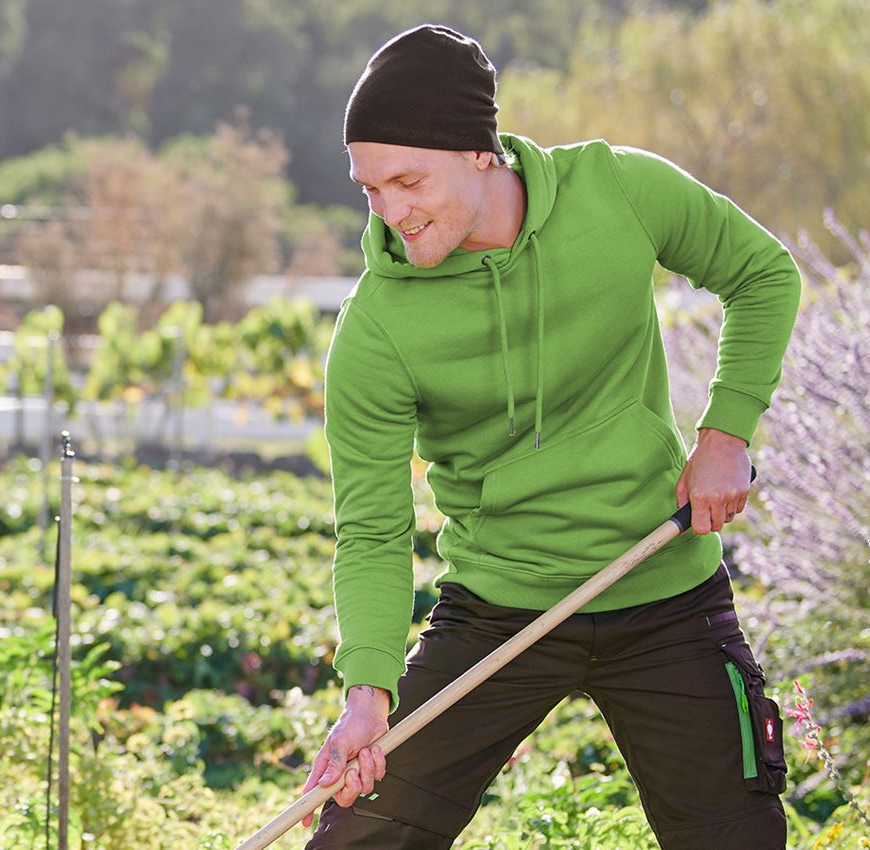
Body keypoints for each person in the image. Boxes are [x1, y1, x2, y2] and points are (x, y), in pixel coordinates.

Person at [301, 23, 801, 850]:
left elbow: (761, 273)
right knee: (363, 835)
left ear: (480, 152)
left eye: (408, 180)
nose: (392, 212)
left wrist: (726, 431)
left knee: (737, 838)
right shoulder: (376, 329)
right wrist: (367, 693)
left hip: (663, 591)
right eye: (370, 190)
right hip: (499, 604)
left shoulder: (621, 191)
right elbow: (373, 529)